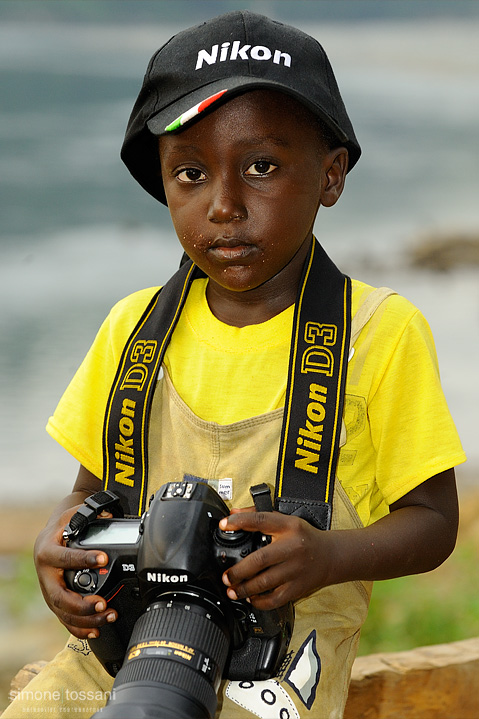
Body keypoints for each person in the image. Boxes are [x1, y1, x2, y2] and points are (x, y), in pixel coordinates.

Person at [5, 10, 466, 719]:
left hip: (277, 668)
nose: (223, 206)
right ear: (162, 184)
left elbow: (433, 521)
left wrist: (327, 557)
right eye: (189, 173)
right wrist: (55, 545)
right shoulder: (132, 331)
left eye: (260, 167)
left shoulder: (376, 333)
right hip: (124, 647)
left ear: (330, 173)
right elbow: (83, 496)